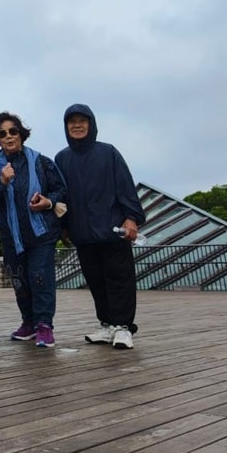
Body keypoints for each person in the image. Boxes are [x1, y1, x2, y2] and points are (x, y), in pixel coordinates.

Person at [55, 104, 146, 350]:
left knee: (120, 279)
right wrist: (63, 227)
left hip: (112, 230)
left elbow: (125, 186)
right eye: (71, 121)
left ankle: (124, 327)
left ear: (91, 124)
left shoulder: (108, 153)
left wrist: (131, 217)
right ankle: (106, 324)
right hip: (83, 233)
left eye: (82, 121)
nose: (77, 125)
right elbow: (61, 196)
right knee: (95, 281)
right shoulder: (62, 158)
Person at [0, 112, 67, 348]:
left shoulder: (41, 161)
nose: (8, 137)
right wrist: (3, 182)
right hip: (11, 237)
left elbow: (61, 190)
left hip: (41, 234)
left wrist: (47, 202)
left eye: (13, 131)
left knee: (40, 278)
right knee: (19, 281)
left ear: (21, 134)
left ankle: (44, 326)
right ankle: (28, 323)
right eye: (2, 134)